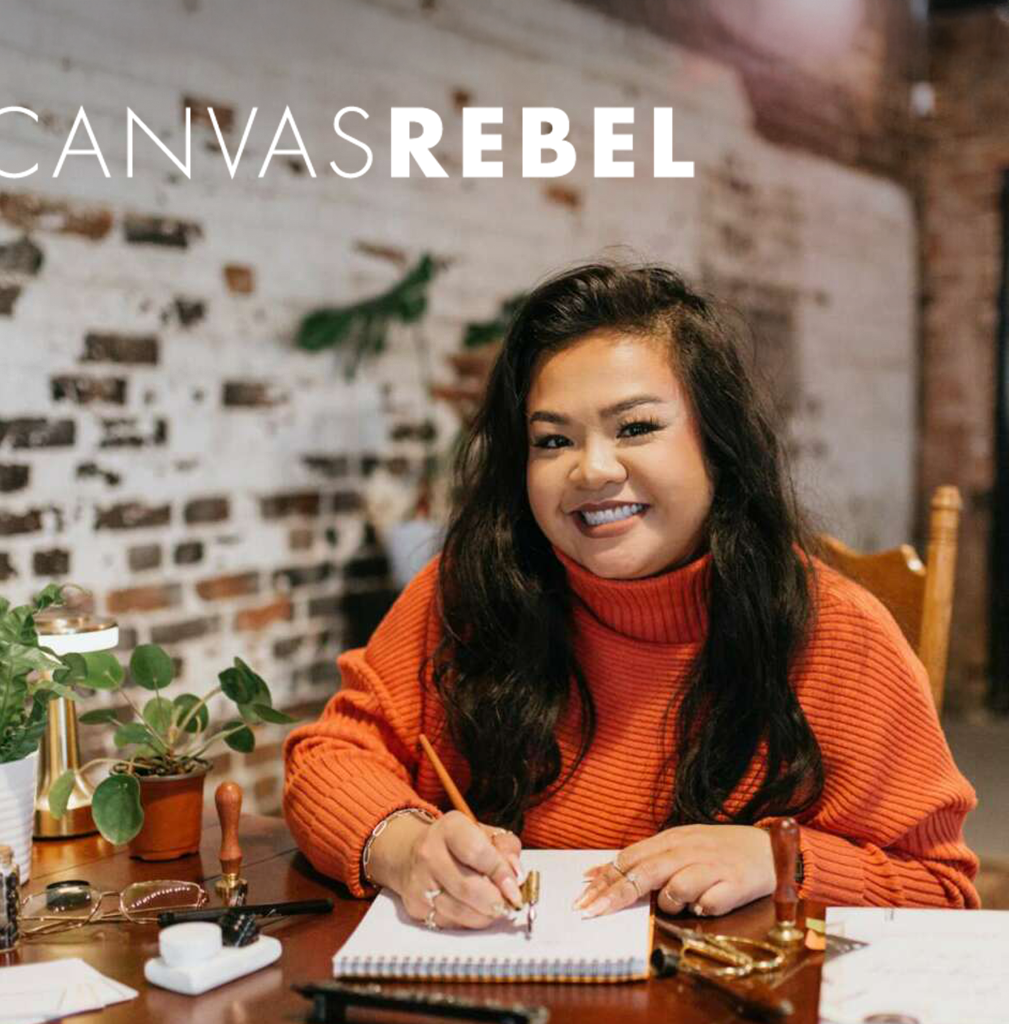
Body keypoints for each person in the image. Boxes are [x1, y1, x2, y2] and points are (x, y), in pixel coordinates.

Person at [282, 262, 979, 930]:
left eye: (636, 428)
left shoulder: (839, 635)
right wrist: (401, 847)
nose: (592, 469)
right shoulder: (474, 589)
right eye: (553, 441)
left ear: (717, 441)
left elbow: (942, 895)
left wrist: (780, 858)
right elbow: (327, 762)